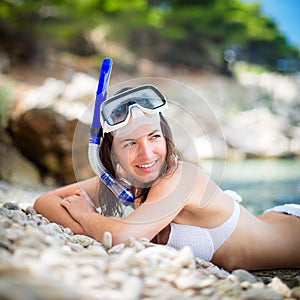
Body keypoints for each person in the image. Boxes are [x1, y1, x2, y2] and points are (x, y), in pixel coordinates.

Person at [34, 84, 300, 271]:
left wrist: (85, 216)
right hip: (268, 221)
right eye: (129, 143)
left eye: (154, 137)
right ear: (113, 154)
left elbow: (118, 238)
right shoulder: (123, 181)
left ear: (166, 137)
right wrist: (97, 231)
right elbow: (45, 202)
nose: (146, 154)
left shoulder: (182, 177)